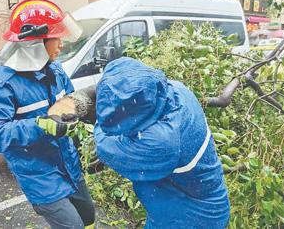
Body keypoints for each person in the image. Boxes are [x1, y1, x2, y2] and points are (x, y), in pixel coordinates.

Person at [0, 0, 95, 229]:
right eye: (56, 38)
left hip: (68, 164)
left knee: (88, 217)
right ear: (35, 44)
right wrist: (40, 125)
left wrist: (82, 113)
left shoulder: (56, 71)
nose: (61, 44)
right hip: (40, 176)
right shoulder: (3, 85)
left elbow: (69, 103)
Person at [93, 57, 230, 228]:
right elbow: (122, 70)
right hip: (171, 206)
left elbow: (105, 146)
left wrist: (100, 119)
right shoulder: (176, 89)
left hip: (192, 219)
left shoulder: (161, 142)